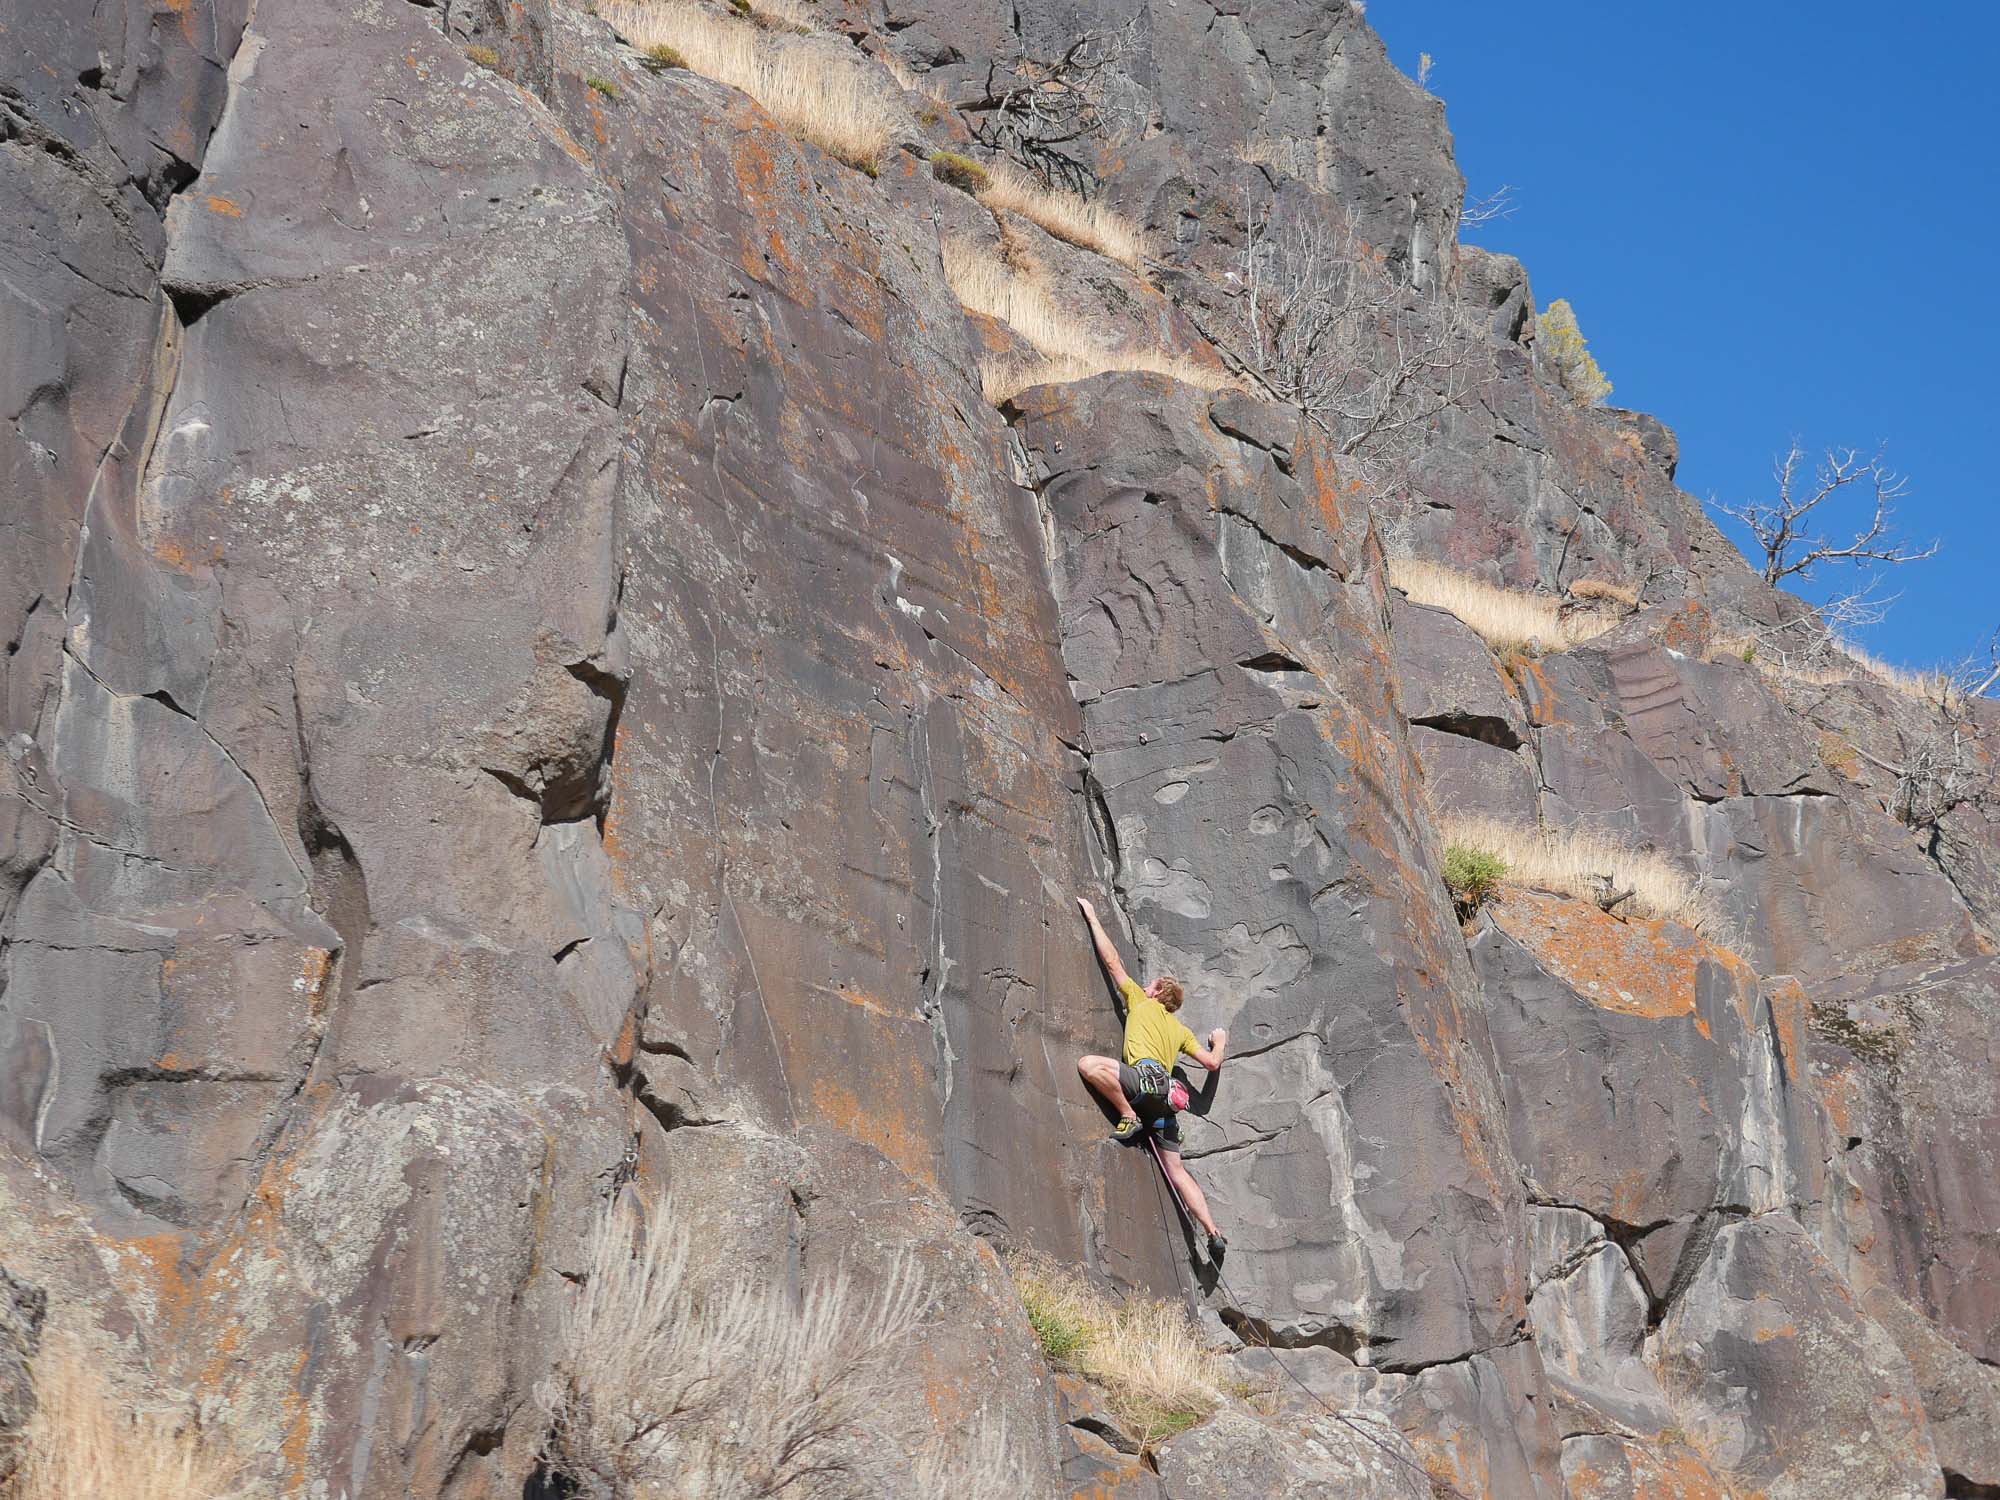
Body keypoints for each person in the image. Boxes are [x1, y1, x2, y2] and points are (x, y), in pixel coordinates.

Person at [1074, 896, 1229, 1261]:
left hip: (1141, 1085)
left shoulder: (1142, 1003)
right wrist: (1220, 1042)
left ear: (1159, 992)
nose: (1143, 987)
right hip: (1165, 1106)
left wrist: (1094, 918)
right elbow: (1210, 1063)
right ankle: (1213, 1231)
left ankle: (1127, 1116)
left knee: (1087, 1064)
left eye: (1150, 985)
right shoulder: (1180, 1030)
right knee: (1176, 1170)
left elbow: (1112, 963)